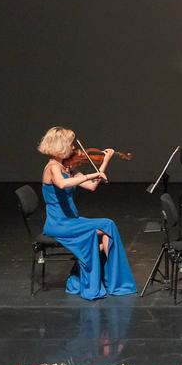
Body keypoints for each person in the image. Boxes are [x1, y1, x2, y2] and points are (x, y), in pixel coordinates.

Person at [38, 127, 136, 300]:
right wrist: (89, 174)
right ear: (60, 145)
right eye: (70, 144)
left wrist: (105, 161)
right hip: (59, 224)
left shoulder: (67, 166)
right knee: (107, 225)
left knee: (108, 230)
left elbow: (92, 186)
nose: (74, 147)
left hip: (72, 220)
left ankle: (108, 281)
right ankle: (102, 282)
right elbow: (61, 184)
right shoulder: (53, 167)